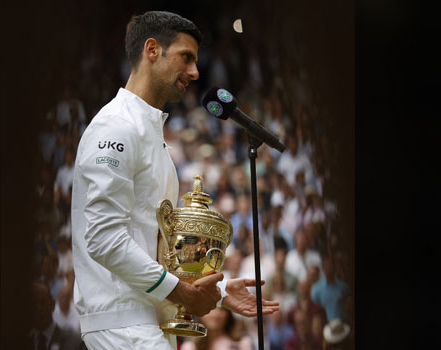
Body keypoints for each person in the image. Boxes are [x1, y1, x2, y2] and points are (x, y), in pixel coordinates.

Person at [71, 11, 279, 350]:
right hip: (122, 323)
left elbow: (156, 247)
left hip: (148, 322)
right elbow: (103, 238)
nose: (196, 72)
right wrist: (183, 293)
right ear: (152, 50)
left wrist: (219, 292)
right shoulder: (116, 127)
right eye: (186, 58)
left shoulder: (152, 137)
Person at [30, 282, 85, 350]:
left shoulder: (75, 343)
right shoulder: (20, 342)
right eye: (33, 303)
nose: (39, 309)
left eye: (42, 302)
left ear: (52, 305)